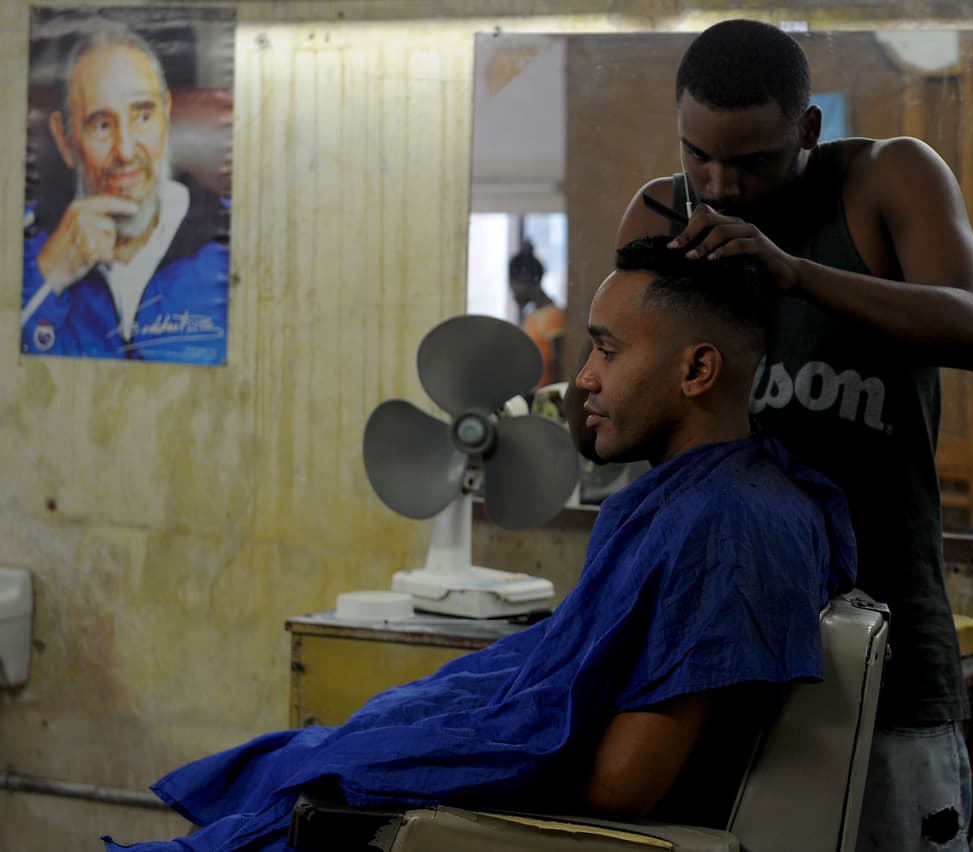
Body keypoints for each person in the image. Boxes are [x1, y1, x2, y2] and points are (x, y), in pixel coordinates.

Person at [102, 236, 858, 852]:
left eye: (606, 351)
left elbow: (629, 784)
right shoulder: (705, 497)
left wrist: (447, 763)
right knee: (315, 755)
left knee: (318, 779)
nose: (584, 379)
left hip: (558, 824)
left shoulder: (726, 526)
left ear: (697, 369)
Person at [611, 19, 973, 851]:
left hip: (885, 651)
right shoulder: (660, 210)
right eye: (697, 155)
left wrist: (796, 275)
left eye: (751, 161)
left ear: (808, 129)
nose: (718, 186)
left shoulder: (883, 177)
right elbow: (613, 411)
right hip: (716, 658)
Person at [21, 26, 230, 364]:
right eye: (102, 125)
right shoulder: (22, 244)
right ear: (64, 139)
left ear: (166, 117)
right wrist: (47, 275)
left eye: (143, 116)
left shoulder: (230, 236)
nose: (126, 151)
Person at [509, 239, 564, 387]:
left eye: (513, 286)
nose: (512, 293)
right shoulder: (531, 316)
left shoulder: (553, 316)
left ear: (524, 280)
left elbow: (560, 368)